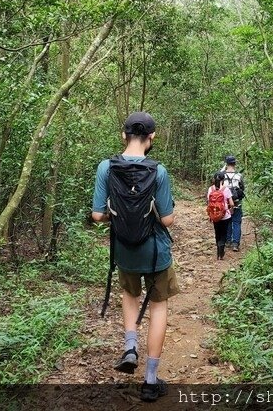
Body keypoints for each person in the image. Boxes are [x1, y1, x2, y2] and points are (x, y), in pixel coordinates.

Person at [92, 112, 178, 402]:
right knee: (158, 306)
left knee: (130, 296)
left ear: (123, 135)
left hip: (125, 250)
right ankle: (151, 381)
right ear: (152, 137)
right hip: (155, 253)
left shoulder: (106, 167)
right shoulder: (159, 172)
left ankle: (130, 347)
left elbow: (97, 214)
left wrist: (118, 216)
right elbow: (167, 220)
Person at [207, 172, 233, 260]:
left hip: (214, 215)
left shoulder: (210, 189)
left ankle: (218, 252)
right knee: (224, 233)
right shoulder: (226, 189)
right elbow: (231, 203)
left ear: (214, 179)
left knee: (217, 232)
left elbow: (208, 202)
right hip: (225, 215)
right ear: (223, 180)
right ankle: (222, 250)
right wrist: (230, 209)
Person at [222, 155, 245, 252]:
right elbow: (242, 188)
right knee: (237, 221)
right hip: (236, 202)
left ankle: (227, 241)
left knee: (227, 221)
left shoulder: (222, 175)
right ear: (235, 163)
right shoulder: (238, 176)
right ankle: (235, 243)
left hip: (226, 202)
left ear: (226, 164)